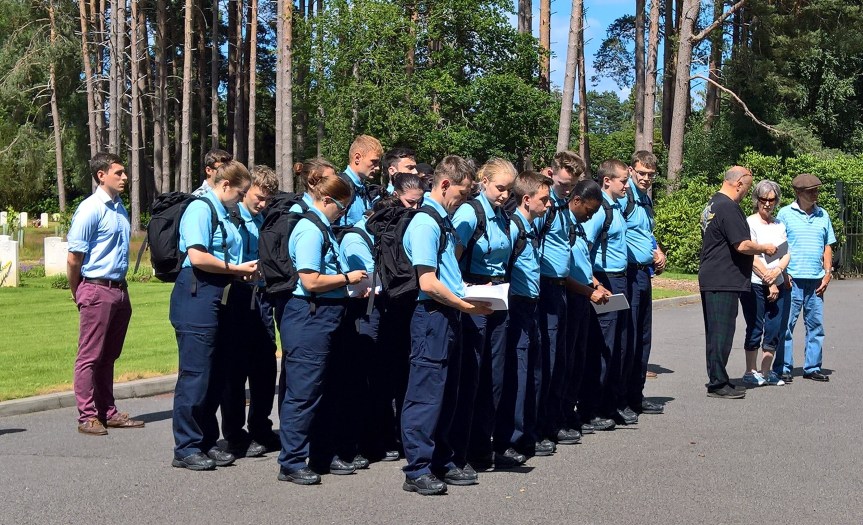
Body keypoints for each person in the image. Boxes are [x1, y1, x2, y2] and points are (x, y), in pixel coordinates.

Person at [401, 155, 492, 496]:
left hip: (449, 314)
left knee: (447, 393)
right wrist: (465, 305)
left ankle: (441, 459)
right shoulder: (426, 223)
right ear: (443, 184)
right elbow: (428, 283)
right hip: (432, 317)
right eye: (463, 192)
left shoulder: (444, 221)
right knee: (426, 395)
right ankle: (418, 469)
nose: (464, 199)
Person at [276, 163, 367, 486]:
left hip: (327, 316)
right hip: (309, 316)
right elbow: (310, 280)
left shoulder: (322, 227)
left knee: (325, 389)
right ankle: (291, 461)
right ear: (328, 200)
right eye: (342, 208)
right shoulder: (309, 229)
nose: (342, 214)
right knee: (303, 392)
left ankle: (321, 455)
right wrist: (347, 278)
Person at [170, 160, 257, 470]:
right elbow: (197, 256)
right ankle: (186, 446)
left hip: (220, 294)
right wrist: (235, 269)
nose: (242, 198)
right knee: (195, 374)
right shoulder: (200, 209)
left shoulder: (225, 212)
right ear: (224, 186)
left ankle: (207, 440)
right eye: (241, 192)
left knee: (215, 372)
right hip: (197, 294)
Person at [67, 152, 144, 436]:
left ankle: (107, 412)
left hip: (119, 291)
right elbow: (74, 258)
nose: (125, 177)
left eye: (124, 173)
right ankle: (87, 416)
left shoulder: (118, 207)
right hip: (96, 288)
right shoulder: (90, 209)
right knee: (89, 355)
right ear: (102, 175)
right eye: (119, 173)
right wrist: (80, 292)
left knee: (109, 356)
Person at [450, 158, 516, 471]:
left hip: (499, 298)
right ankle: (458, 452)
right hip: (474, 299)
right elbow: (452, 259)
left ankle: (482, 446)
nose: (504, 194)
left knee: (494, 377)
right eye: (500, 188)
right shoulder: (469, 212)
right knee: (471, 377)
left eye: (508, 189)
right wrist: (464, 291)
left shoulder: (503, 215)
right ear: (484, 181)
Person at [363, 172, 427, 462]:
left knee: (402, 374)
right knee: (389, 375)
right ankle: (385, 435)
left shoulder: (391, 218)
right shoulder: (387, 220)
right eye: (409, 202)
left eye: (419, 203)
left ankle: (397, 435)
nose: (413, 208)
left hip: (402, 300)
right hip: (393, 303)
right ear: (397, 194)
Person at [219, 165, 281, 458]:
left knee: (264, 368)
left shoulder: (266, 219)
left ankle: (260, 427)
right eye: (258, 197)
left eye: (268, 199)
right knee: (235, 369)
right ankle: (233, 433)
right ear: (246, 192)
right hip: (238, 296)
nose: (262, 203)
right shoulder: (231, 218)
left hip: (263, 298)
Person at [699, 166, 776, 399]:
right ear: (739, 183)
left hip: (716, 277)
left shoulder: (713, 204)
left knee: (718, 332)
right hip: (722, 278)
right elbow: (741, 244)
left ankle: (719, 378)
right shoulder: (728, 207)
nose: (747, 191)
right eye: (748, 186)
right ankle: (717, 383)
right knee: (720, 333)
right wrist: (765, 247)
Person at [497, 171, 552, 464]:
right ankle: (511, 439)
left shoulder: (531, 225)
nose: (548, 204)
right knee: (517, 374)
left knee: (533, 371)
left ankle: (528, 432)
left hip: (533, 304)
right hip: (517, 306)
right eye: (543, 199)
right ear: (527, 200)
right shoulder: (514, 228)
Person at [535, 151, 585, 451]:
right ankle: (540, 427)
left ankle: (553, 422)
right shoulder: (545, 208)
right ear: (550, 174)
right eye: (563, 183)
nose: (567, 189)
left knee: (560, 360)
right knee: (546, 362)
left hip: (561, 288)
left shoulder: (564, 209)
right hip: (544, 288)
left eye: (572, 185)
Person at [582, 159, 633, 426]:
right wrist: (593, 283)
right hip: (605, 280)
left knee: (619, 345)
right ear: (607, 181)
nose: (627, 185)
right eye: (623, 181)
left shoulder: (616, 207)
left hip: (619, 279)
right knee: (603, 345)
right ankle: (593, 408)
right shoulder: (600, 210)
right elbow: (583, 247)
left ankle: (610, 404)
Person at [777, 173, 836, 383]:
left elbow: (827, 245)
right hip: (792, 279)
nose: (816, 194)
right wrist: (784, 273)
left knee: (816, 326)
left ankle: (812, 367)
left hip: (816, 279)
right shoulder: (784, 214)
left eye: (816, 190)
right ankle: (784, 367)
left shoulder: (823, 215)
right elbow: (779, 247)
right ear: (798, 193)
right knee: (786, 326)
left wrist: (828, 273)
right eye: (811, 191)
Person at [563, 179, 610, 436]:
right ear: (577, 201)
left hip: (584, 294)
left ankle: (573, 414)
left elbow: (581, 263)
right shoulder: (563, 224)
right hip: (572, 297)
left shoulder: (579, 226)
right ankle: (562, 417)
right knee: (567, 361)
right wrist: (588, 291)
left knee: (578, 360)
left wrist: (595, 283)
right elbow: (560, 272)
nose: (590, 216)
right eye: (589, 210)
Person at [622, 151, 667, 415]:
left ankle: (636, 396)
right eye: (641, 173)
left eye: (650, 175)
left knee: (643, 338)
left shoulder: (646, 202)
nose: (646, 179)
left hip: (643, 275)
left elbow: (646, 234)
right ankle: (622, 399)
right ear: (631, 170)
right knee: (628, 337)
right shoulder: (623, 199)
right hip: (626, 274)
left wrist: (657, 250)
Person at [740, 179, 792, 387]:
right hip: (755, 282)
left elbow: (786, 253)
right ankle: (750, 371)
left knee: (774, 327)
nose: (767, 204)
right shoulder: (749, 222)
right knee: (755, 327)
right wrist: (768, 279)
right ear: (756, 200)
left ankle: (766, 371)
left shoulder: (779, 224)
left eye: (772, 199)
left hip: (777, 280)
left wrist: (778, 272)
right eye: (763, 199)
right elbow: (750, 256)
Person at [337, 135, 383, 227]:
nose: (378, 168)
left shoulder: (363, 189)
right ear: (357, 158)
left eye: (378, 163)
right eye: (374, 162)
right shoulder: (339, 187)